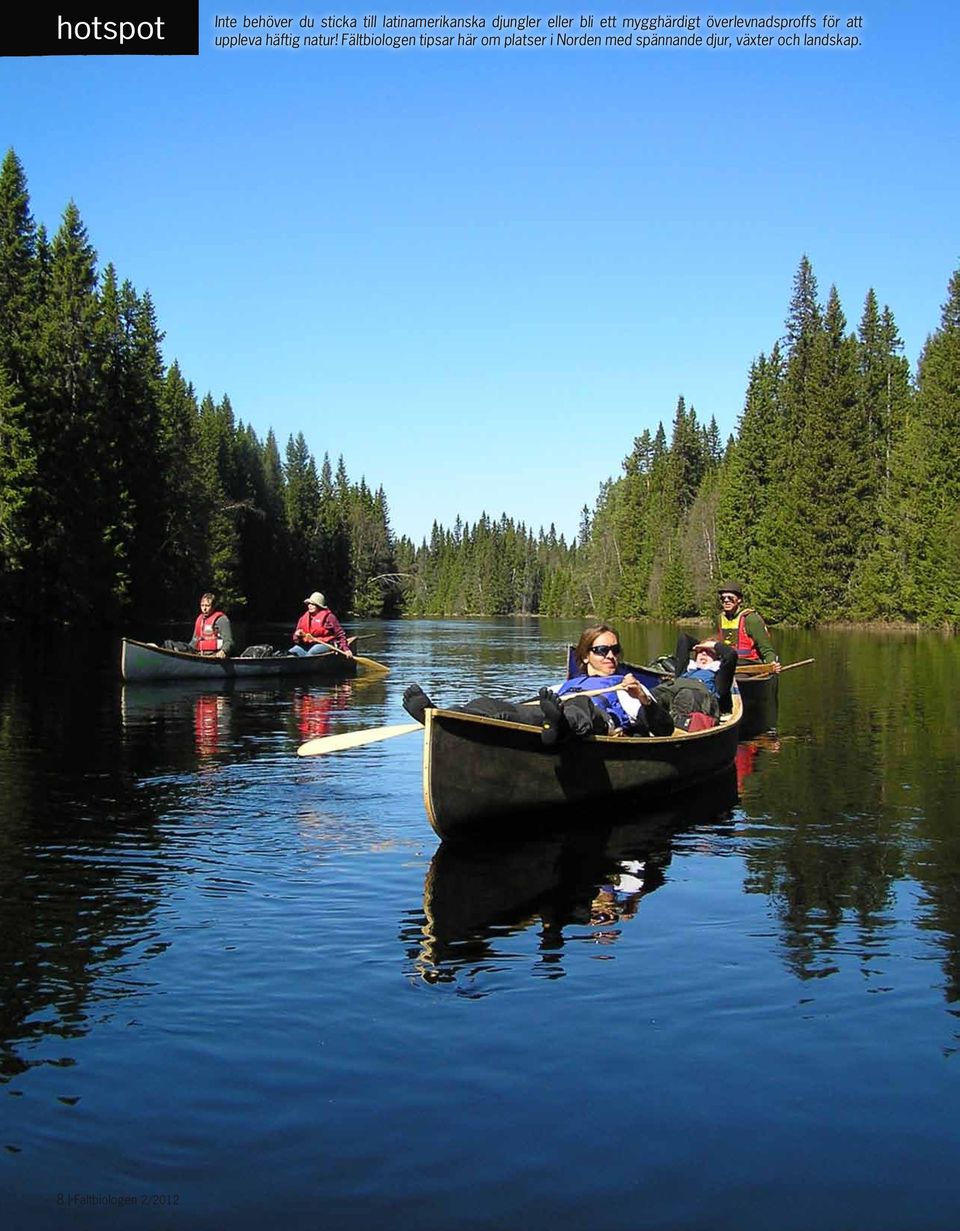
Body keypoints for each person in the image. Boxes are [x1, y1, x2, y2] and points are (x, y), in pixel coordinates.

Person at [402, 623, 674, 745]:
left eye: (615, 649)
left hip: (597, 719)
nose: (611, 656)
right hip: (554, 719)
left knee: (579, 705)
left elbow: (664, 729)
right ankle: (443, 718)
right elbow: (530, 707)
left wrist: (643, 699)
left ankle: (558, 727)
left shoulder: (628, 685)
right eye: (602, 650)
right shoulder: (565, 685)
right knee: (496, 707)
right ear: (585, 655)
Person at [715, 580, 780, 671]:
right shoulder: (720, 619)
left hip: (748, 664)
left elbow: (766, 648)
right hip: (727, 663)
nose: (726, 601)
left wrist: (771, 663)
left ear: (739, 600)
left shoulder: (751, 619)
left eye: (730, 598)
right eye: (723, 598)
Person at [163, 591, 233, 657]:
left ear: (213, 606)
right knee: (169, 643)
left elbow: (229, 642)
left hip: (214, 655)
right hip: (199, 653)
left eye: (207, 606)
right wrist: (182, 650)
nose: (204, 608)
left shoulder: (222, 620)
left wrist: (223, 651)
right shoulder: (200, 620)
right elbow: (193, 643)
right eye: (202, 605)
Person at [289, 592, 353, 658]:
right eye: (309, 604)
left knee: (313, 651)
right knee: (293, 651)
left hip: (325, 644)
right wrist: (297, 635)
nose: (310, 606)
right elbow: (296, 639)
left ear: (319, 606)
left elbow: (340, 634)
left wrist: (346, 649)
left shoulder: (329, 617)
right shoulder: (303, 618)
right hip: (307, 645)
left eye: (313, 604)